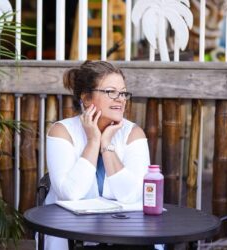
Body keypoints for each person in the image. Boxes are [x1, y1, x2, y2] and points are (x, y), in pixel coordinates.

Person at [45, 60, 150, 250]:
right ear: (86, 99)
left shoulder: (133, 133)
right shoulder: (61, 132)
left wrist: (106, 144)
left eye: (123, 92)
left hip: (123, 235)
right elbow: (70, 193)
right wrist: (93, 141)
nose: (120, 99)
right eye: (110, 91)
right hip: (70, 235)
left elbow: (131, 196)